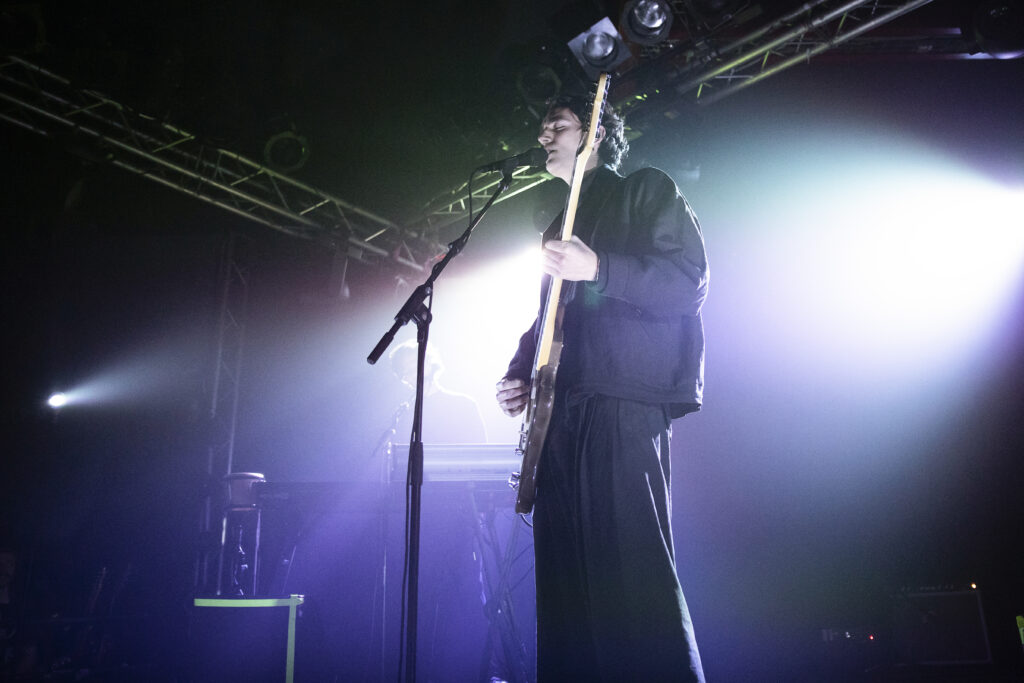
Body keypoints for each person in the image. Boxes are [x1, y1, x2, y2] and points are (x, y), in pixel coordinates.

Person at [495, 95, 709, 682]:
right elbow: (550, 319)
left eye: (557, 123)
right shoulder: (556, 223)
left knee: (630, 572)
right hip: (561, 414)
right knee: (567, 589)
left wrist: (601, 268)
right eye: (542, 122)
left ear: (595, 132)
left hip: (622, 398)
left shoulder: (642, 189)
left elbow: (688, 283)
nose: (544, 131)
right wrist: (518, 372)